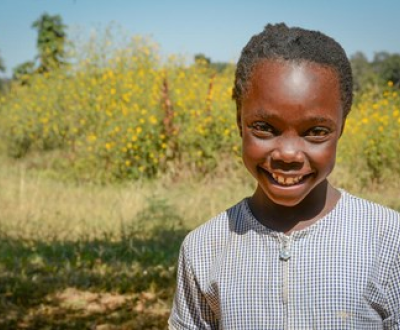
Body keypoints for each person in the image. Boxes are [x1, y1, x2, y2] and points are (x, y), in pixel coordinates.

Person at [168, 23, 400, 329]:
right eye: (264, 127)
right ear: (240, 122)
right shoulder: (204, 248)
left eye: (316, 132)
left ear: (341, 127)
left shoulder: (388, 240)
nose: (288, 154)